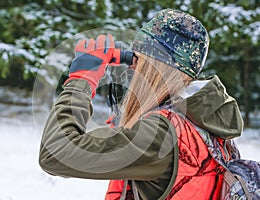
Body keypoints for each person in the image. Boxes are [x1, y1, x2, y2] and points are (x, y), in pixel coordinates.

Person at [39, 9, 243, 199]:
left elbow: (56, 155)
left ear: (154, 66)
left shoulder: (160, 135)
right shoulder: (203, 125)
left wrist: (82, 81)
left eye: (138, 59)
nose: (131, 67)